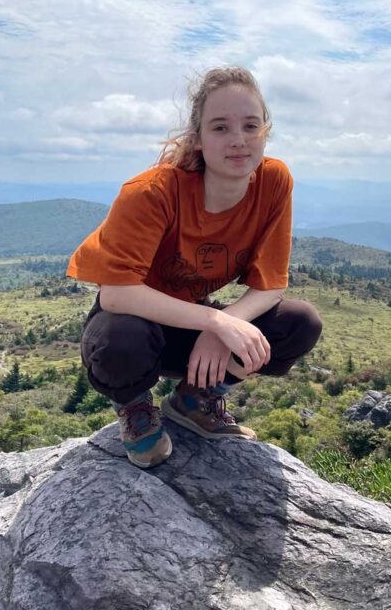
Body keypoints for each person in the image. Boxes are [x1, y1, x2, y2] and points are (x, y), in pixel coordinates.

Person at [66, 66, 322, 468]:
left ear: (265, 132)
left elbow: (271, 286)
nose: (238, 140)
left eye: (250, 126)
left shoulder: (274, 181)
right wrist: (215, 323)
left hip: (190, 321)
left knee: (299, 322)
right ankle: (135, 408)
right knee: (122, 339)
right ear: (198, 138)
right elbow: (116, 294)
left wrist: (224, 326)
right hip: (132, 321)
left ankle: (194, 399)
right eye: (220, 128)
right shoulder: (152, 193)